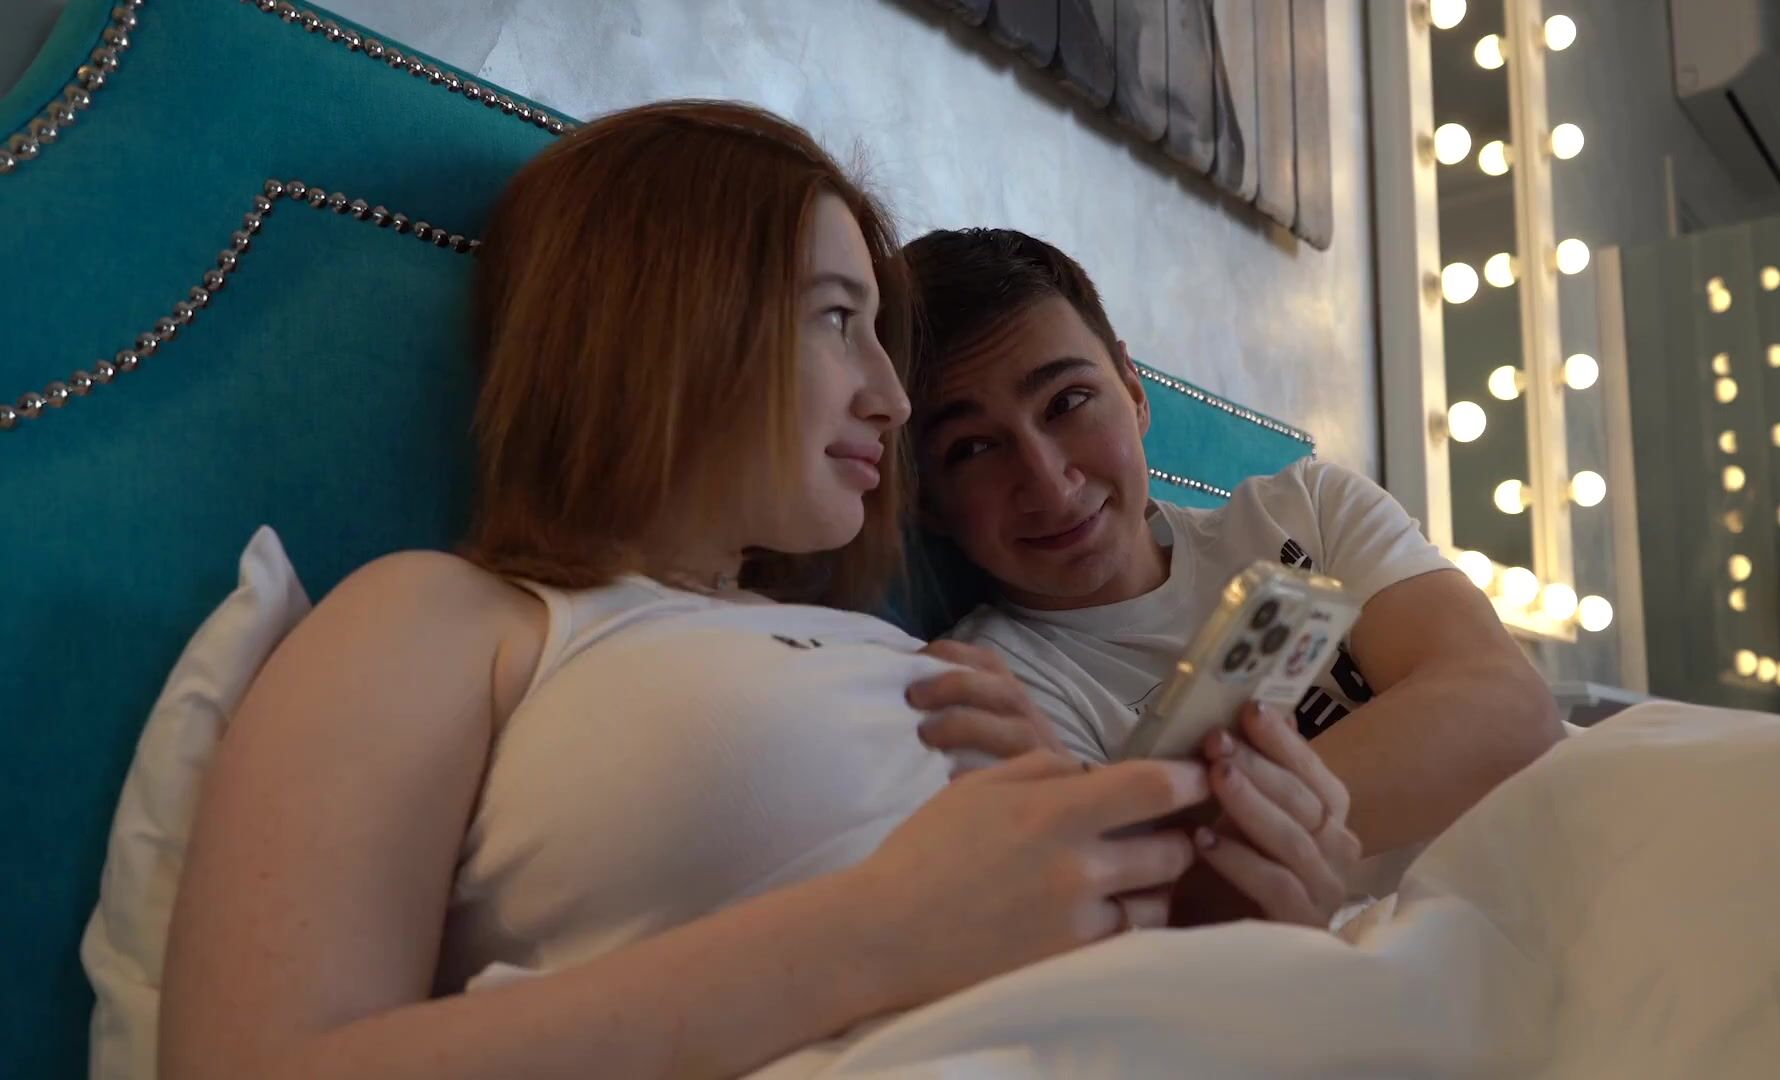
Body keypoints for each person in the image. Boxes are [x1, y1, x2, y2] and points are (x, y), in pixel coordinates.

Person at [157, 102, 1266, 1080]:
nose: (890, 399)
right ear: (669, 319)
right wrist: (874, 933)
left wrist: (1259, 902)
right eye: (839, 320)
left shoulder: (891, 646)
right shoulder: (445, 618)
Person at [902, 228, 1566, 911]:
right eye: (973, 448)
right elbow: (1143, 915)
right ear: (925, 500)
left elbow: (1511, 712)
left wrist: (1182, 825)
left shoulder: (1309, 509)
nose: (1048, 481)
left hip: (1568, 834)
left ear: (1132, 390)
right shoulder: (991, 691)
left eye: (1067, 402)